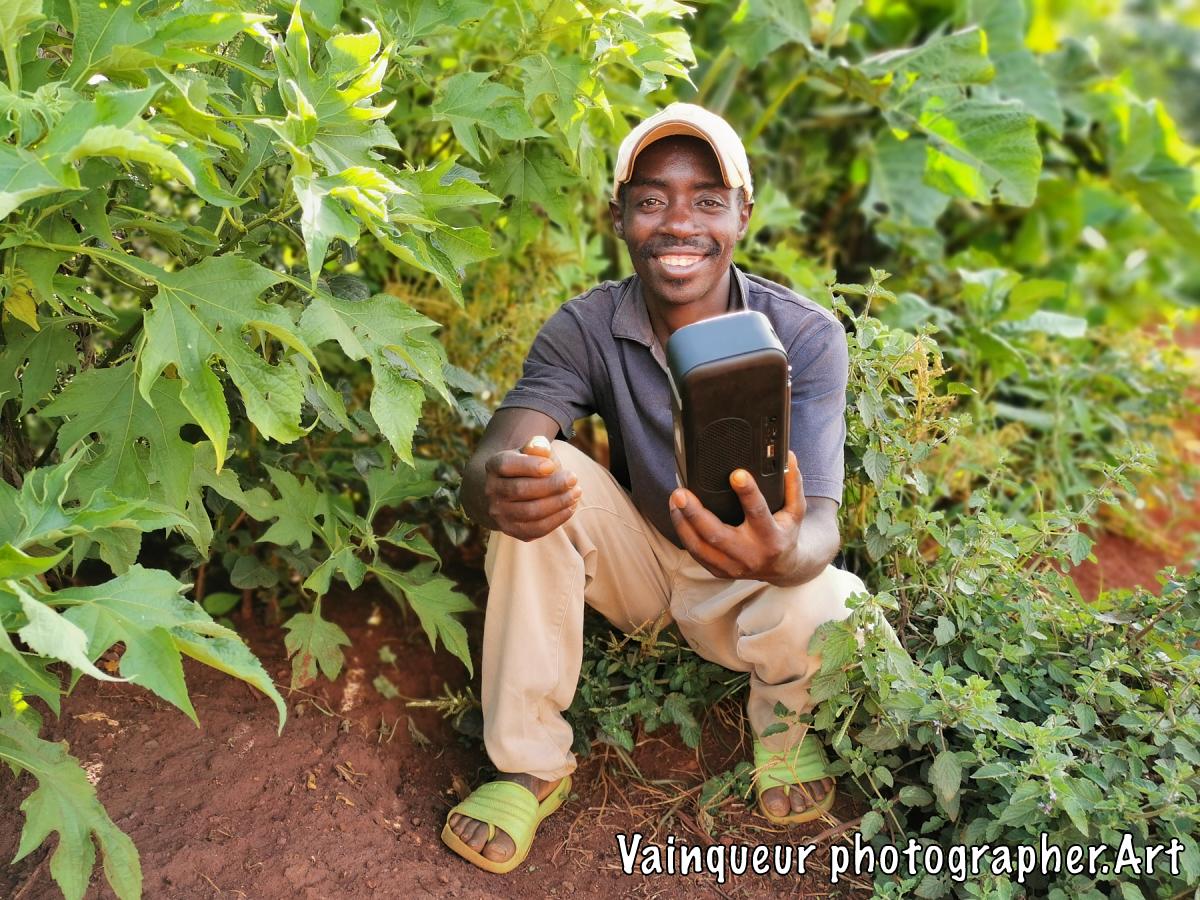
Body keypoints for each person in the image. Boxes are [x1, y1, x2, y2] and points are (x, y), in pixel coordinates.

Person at [440, 102, 866, 874]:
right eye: (650, 200)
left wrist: (782, 556)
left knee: (838, 602)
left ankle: (786, 732)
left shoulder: (803, 334)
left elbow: (821, 525)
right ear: (618, 218)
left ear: (742, 214)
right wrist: (489, 488)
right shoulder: (587, 326)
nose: (678, 223)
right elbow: (497, 452)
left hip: (751, 583)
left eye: (707, 199)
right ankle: (529, 763)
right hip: (638, 568)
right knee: (540, 468)